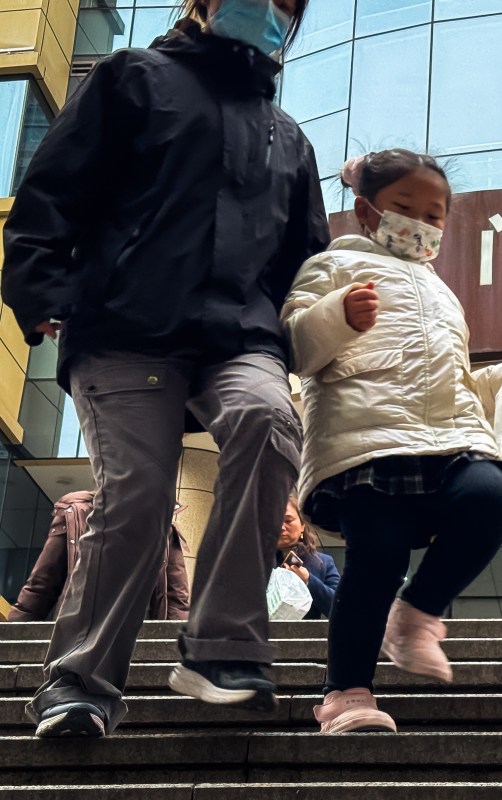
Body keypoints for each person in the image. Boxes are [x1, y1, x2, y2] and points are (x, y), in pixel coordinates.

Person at [0, 0, 329, 738]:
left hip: (238, 336)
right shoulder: (133, 80)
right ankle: (78, 684)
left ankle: (221, 649)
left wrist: (312, 335)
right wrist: (42, 289)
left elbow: (308, 265)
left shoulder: (286, 136)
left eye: (287, 2)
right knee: (139, 498)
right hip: (127, 328)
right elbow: (52, 191)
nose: (270, 9)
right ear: (207, 2)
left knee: (268, 421)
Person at [283, 149, 502, 734]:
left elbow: (451, 380)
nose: (422, 223)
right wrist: (337, 315)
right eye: (405, 208)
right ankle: (346, 694)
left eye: (435, 214)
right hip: (363, 445)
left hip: (448, 440)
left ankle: (416, 615)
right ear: (365, 211)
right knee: (375, 562)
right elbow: (298, 351)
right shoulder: (329, 268)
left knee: (489, 500)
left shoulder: (443, 293)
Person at [8, 492, 190, 623]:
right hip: (81, 630)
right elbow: (43, 584)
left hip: (137, 632)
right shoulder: (77, 513)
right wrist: (13, 634)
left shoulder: (163, 528)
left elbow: (176, 599)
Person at [275, 495, 339, 619]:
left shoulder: (324, 562)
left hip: (306, 635)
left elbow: (338, 608)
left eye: (288, 521)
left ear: (302, 526)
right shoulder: (255, 563)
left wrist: (308, 580)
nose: (282, 528)